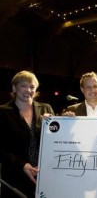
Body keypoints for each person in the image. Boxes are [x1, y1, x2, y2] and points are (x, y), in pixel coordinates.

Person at [0, 70, 54, 198]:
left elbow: (56, 141)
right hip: (15, 177)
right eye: (23, 85)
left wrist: (54, 125)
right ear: (14, 87)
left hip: (43, 176)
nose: (28, 90)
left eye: (32, 86)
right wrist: (22, 165)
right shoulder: (2, 112)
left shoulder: (46, 109)